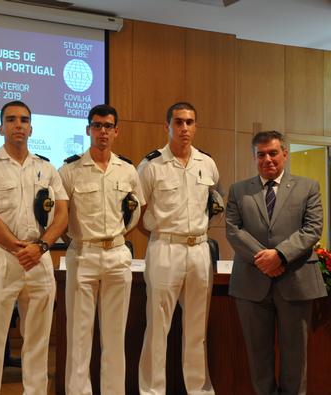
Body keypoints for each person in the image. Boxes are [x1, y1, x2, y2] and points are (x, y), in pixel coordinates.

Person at [0, 101, 68, 395]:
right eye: (11, 120)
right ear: (1, 127)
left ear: (31, 128)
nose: (18, 125)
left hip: (38, 259)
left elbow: (62, 213)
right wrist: (18, 248)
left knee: (38, 341)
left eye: (24, 120)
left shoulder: (47, 168)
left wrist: (40, 247)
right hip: (3, 258)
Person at [226, 131, 326, 395]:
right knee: (258, 357)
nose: (267, 159)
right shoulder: (239, 190)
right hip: (251, 284)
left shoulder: (308, 187)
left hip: (295, 281)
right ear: (254, 157)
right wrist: (265, 259)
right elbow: (233, 230)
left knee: (295, 356)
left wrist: (279, 255)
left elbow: (313, 229)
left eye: (273, 153)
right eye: (261, 154)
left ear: (284, 153)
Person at [59, 104, 144, 394]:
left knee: (114, 337)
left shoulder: (128, 170)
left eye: (108, 126)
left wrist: (118, 236)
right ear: (88, 130)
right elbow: (60, 215)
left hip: (118, 255)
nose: (102, 131)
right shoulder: (69, 170)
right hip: (83, 254)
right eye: (97, 126)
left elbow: (134, 212)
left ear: (116, 131)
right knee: (79, 337)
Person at [137, 102, 219, 395]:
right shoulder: (150, 165)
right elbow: (138, 214)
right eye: (179, 122)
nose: (185, 128)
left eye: (190, 122)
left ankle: (198, 390)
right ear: (167, 126)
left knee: (197, 330)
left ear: (196, 126)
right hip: (165, 248)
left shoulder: (207, 163)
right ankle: (152, 391)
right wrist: (162, 236)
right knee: (157, 327)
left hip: (199, 251)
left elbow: (212, 201)